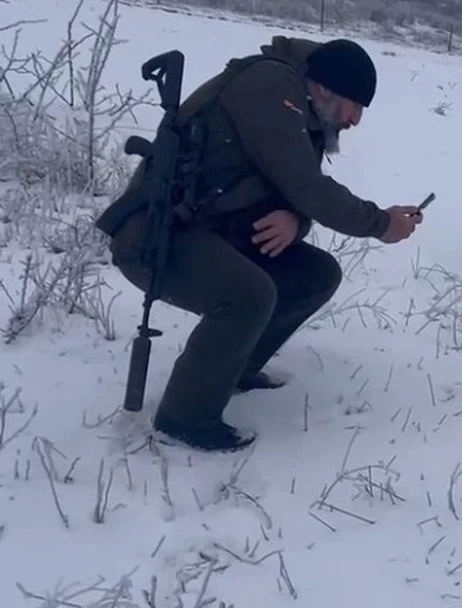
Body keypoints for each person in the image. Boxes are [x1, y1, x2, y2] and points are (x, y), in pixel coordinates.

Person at [95, 36, 423, 452]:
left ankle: (233, 369)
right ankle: (183, 417)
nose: (356, 120)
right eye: (355, 105)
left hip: (214, 230)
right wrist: (380, 223)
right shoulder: (269, 87)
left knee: (315, 274)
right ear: (325, 89)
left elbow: (294, 189)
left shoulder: (305, 107)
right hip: (157, 237)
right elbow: (306, 184)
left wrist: (296, 219)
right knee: (248, 294)